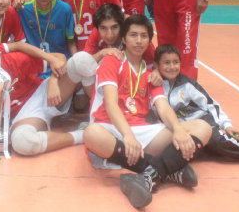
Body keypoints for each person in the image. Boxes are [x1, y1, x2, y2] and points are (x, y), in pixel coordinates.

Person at [83, 14, 211, 209]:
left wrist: (177, 129)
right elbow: (110, 104)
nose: (139, 40)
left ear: (149, 40)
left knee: (203, 127)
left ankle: (149, 175)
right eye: (133, 35)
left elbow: (163, 106)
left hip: (142, 132)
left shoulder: (152, 74)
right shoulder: (112, 61)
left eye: (144, 36)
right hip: (112, 129)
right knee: (91, 133)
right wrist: (128, 136)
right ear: (124, 39)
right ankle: (168, 170)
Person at [152, 43, 239, 165]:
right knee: (174, 149)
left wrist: (226, 125)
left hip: (204, 124)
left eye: (175, 62)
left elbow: (212, 105)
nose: (172, 67)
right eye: (166, 63)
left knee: (222, 144)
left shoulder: (187, 84)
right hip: (181, 129)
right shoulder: (154, 87)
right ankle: (204, 151)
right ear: (157, 65)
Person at [0, 27, 88, 157]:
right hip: (25, 116)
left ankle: (102, 122)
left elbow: (58, 58)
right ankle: (82, 135)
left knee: (82, 60)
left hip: (44, 94)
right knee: (23, 141)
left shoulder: (12, 60)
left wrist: (53, 81)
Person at [18, 0, 76, 78]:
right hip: (34, 67)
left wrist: (76, 62)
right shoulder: (22, 10)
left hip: (61, 65)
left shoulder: (65, 9)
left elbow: (71, 41)